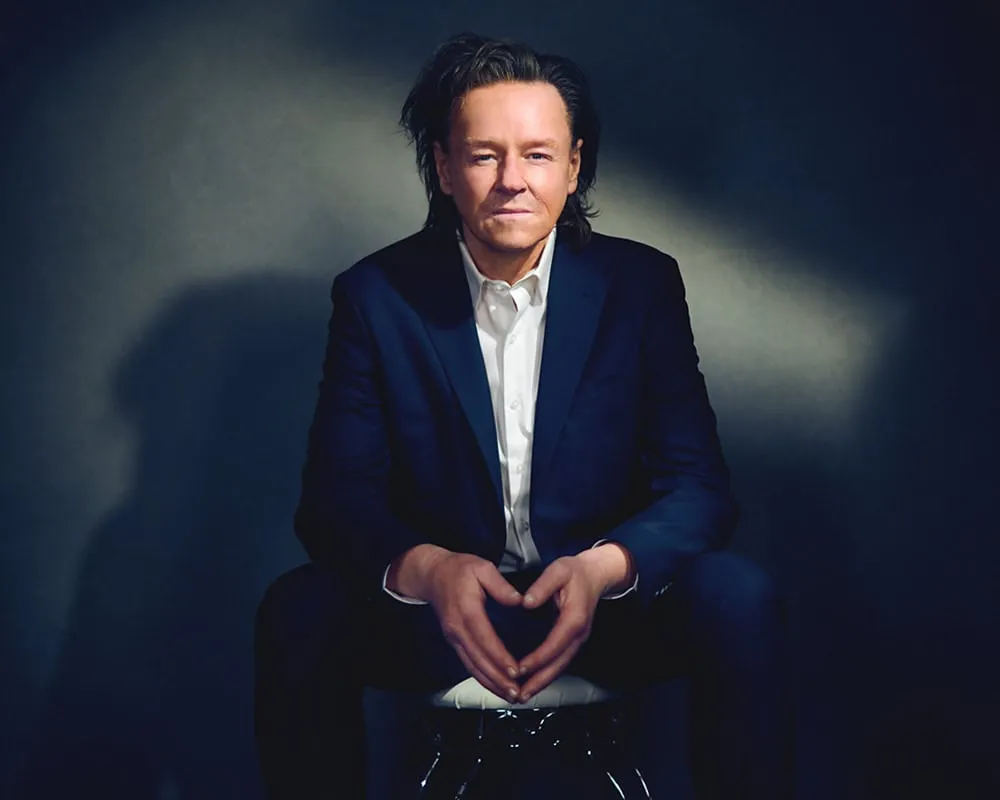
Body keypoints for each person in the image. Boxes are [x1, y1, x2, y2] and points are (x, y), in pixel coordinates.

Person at [254, 32, 792, 799]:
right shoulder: (376, 297)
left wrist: (605, 569)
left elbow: (699, 489)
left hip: (602, 609)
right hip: (446, 617)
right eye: (483, 155)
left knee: (739, 598)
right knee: (298, 610)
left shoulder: (641, 287)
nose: (512, 181)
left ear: (573, 168)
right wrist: (429, 570)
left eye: (538, 155)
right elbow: (335, 503)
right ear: (443, 167)